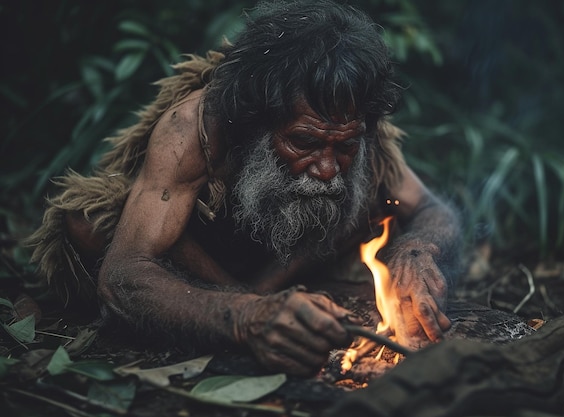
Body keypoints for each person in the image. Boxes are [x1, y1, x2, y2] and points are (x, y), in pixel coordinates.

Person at [27, 0, 462, 376]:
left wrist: (417, 249)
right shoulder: (193, 129)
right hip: (207, 260)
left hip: (290, 259)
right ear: (256, 122)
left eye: (344, 146)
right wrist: (246, 316)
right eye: (304, 142)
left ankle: (270, 291)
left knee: (371, 198)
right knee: (89, 224)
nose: (328, 168)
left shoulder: (357, 123)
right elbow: (124, 274)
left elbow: (431, 209)